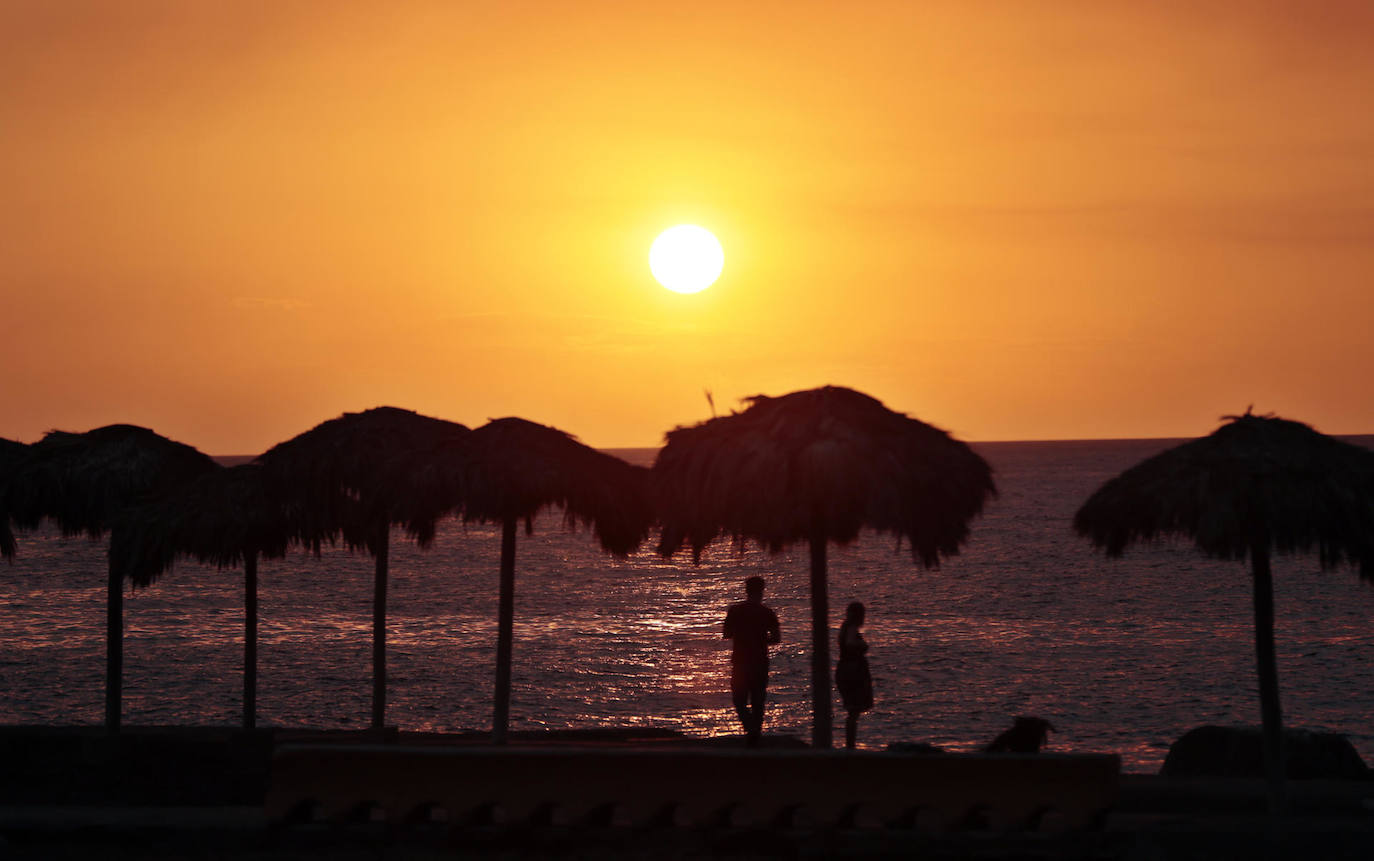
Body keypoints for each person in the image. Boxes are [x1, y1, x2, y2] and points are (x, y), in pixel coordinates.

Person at [723, 576, 781, 747]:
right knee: (758, 700)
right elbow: (776, 638)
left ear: (746, 590)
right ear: (762, 591)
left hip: (741, 661)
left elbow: (726, 634)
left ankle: (751, 730)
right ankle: (755, 733)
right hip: (760, 661)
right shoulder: (768, 613)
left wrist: (742, 635)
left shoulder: (735, 610)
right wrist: (761, 640)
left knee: (739, 700)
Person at [835, 601, 873, 750]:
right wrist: (863, 645)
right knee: (854, 710)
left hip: (848, 669)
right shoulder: (851, 627)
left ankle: (850, 744)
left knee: (853, 710)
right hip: (852, 671)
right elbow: (850, 643)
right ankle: (850, 746)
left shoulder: (846, 627)